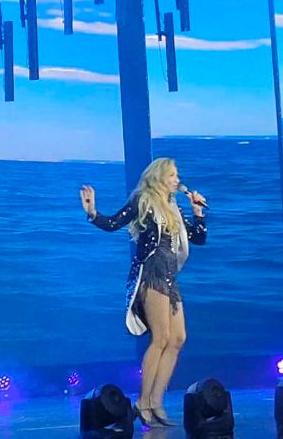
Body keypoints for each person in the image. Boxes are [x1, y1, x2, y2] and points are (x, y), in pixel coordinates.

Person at [80, 157, 207, 427]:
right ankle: (143, 401)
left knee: (178, 338)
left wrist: (198, 212)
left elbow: (198, 238)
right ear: (159, 176)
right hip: (150, 275)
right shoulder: (144, 201)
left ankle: (156, 401)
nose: (177, 180)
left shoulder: (173, 208)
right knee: (161, 338)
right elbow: (113, 223)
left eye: (177, 176)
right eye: (172, 175)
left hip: (170, 278)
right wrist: (92, 212)